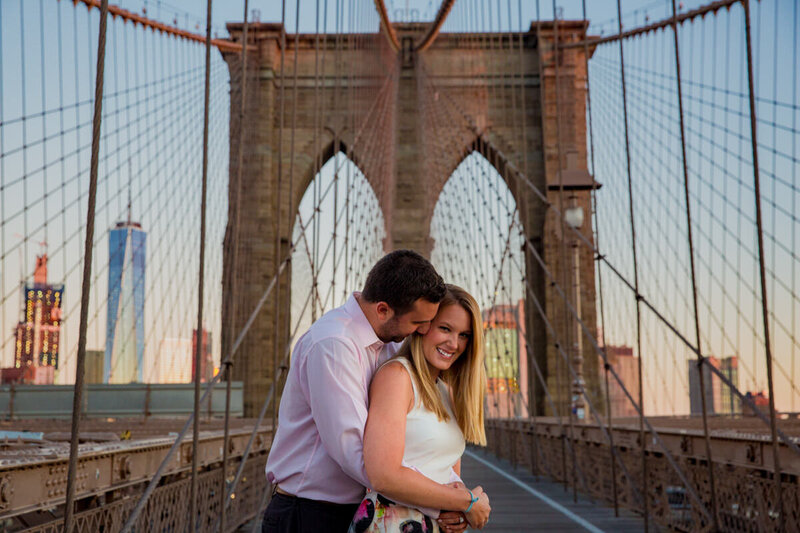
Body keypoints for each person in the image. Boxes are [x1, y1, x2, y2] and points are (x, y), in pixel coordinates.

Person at [263, 250, 490, 533]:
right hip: (312, 512)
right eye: (420, 323)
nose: (422, 331)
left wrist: (451, 497)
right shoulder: (333, 344)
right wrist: (452, 501)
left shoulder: (392, 344)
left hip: (371, 510)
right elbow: (363, 457)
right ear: (383, 310)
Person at [349, 285, 490, 533]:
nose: (454, 343)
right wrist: (469, 503)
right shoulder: (397, 377)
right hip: (391, 524)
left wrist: (459, 511)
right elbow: (383, 475)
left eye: (464, 335)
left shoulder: (447, 392)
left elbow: (447, 473)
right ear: (423, 327)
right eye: (445, 329)